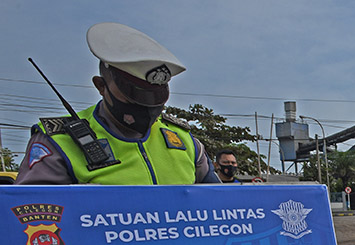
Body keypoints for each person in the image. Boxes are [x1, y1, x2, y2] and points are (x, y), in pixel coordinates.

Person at [16, 22, 218, 185]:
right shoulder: (59, 142)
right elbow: (31, 217)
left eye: (155, 96)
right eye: (134, 94)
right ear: (101, 86)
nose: (147, 106)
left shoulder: (185, 142)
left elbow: (220, 205)